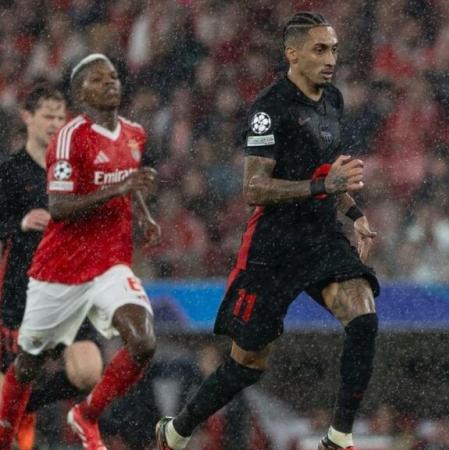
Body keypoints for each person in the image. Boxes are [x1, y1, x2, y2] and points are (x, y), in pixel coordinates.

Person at [156, 11, 380, 450]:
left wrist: (354, 215)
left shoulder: (333, 100)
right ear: (292, 54)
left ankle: (339, 437)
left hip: (321, 236)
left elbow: (330, 173)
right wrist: (322, 185)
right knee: (247, 364)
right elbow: (253, 189)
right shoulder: (269, 109)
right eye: (319, 49)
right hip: (272, 247)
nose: (330, 58)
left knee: (363, 315)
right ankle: (176, 431)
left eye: (333, 49)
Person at [0, 53, 161, 450]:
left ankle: (86, 415)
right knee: (27, 364)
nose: (111, 82)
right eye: (98, 78)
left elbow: (129, 181)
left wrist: (142, 213)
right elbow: (59, 208)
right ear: (80, 92)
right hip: (54, 272)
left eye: (113, 76)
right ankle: (6, 432)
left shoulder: (135, 133)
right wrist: (120, 190)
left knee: (141, 342)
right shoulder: (67, 140)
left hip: (109, 264)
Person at [0, 84, 104, 450]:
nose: (55, 123)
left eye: (61, 117)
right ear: (27, 118)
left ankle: (19, 406)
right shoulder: (10, 172)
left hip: (69, 287)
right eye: (47, 115)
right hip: (21, 291)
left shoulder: (74, 171)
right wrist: (21, 223)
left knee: (89, 371)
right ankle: (14, 411)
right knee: (9, 394)